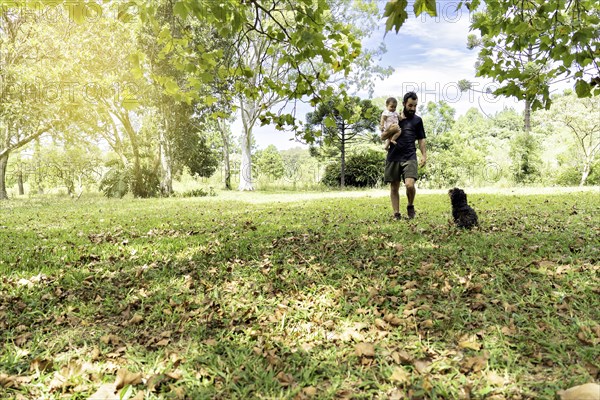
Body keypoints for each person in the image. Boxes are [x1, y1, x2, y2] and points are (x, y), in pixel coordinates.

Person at [381, 91, 427, 220]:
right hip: (393, 156)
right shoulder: (393, 117)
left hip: (410, 156)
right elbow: (382, 136)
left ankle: (410, 205)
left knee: (409, 185)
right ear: (404, 104)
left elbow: (421, 139)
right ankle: (396, 213)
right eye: (410, 105)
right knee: (394, 187)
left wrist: (424, 155)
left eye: (415, 106)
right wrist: (390, 130)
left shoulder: (418, 120)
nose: (413, 108)